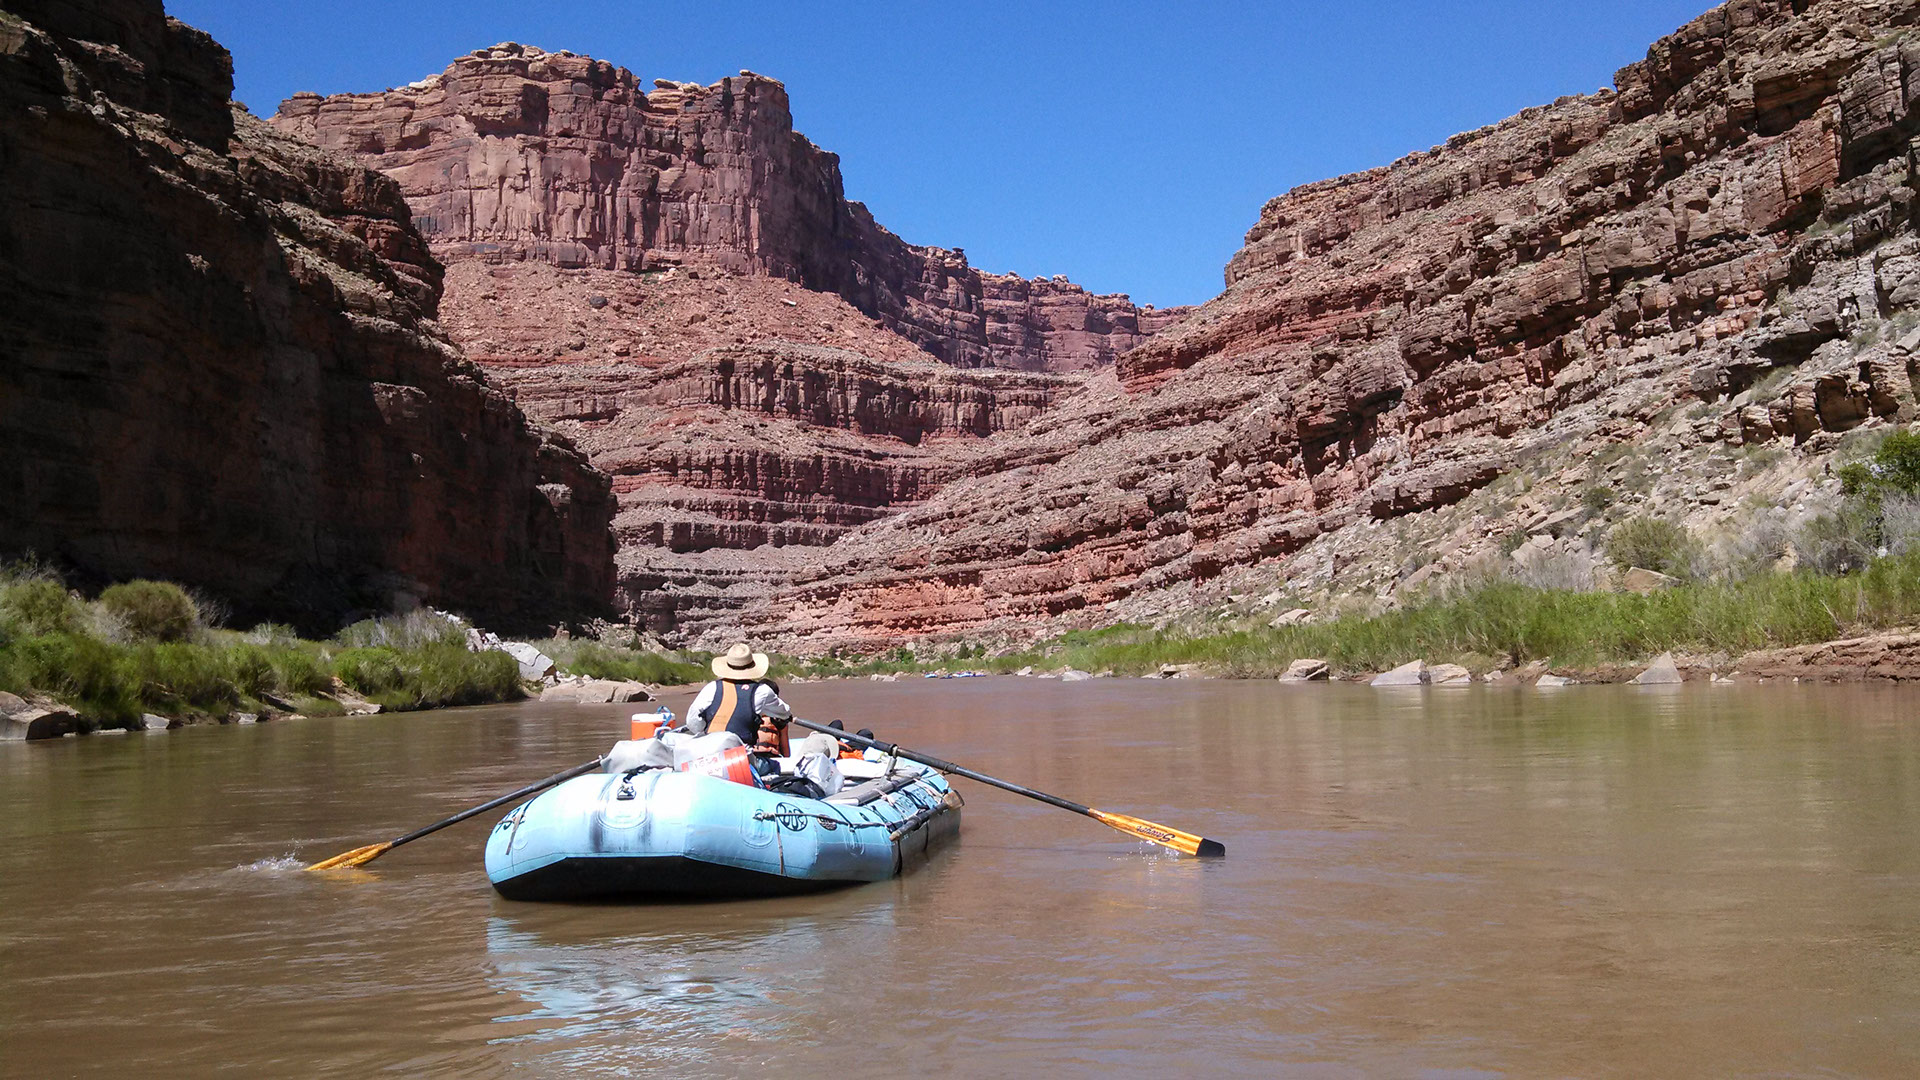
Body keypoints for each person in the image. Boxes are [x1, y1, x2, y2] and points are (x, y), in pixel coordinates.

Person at [688, 642, 792, 751]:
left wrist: (707, 735)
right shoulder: (762, 691)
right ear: (752, 666)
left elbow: (692, 721)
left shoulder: (711, 687)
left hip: (709, 752)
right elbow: (784, 712)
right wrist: (786, 717)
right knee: (774, 766)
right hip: (740, 756)